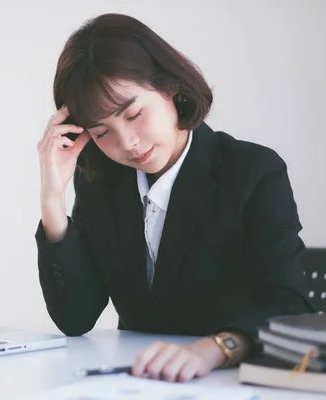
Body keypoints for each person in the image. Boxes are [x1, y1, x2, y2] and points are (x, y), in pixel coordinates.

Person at [35, 13, 313, 383]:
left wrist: (216, 348)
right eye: (102, 133)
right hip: (139, 382)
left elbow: (289, 304)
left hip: (228, 381)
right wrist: (52, 199)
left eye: (134, 114)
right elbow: (75, 319)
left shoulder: (253, 171)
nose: (127, 143)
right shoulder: (101, 183)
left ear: (169, 88)